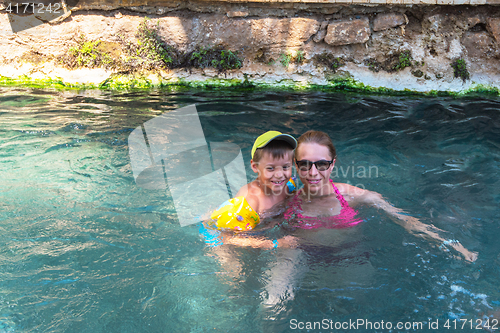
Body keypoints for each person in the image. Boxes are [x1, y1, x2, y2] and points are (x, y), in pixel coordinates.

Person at [285, 130, 478, 262]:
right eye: (305, 164)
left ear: (332, 164)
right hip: (305, 259)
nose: (312, 172)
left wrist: (452, 245)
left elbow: (406, 221)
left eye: (321, 164)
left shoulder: (354, 196)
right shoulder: (287, 199)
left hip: (351, 260)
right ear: (296, 165)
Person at [205, 130, 298, 247]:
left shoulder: (287, 186)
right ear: (255, 166)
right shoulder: (250, 200)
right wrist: (275, 243)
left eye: (285, 167)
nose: (279, 174)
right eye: (270, 168)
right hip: (229, 241)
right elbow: (227, 237)